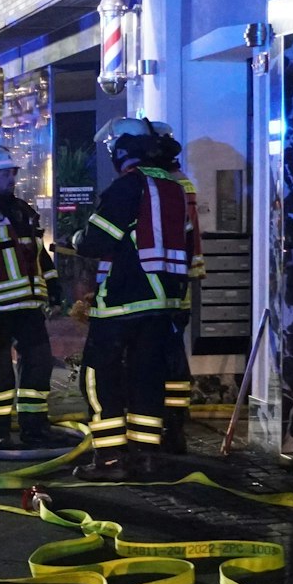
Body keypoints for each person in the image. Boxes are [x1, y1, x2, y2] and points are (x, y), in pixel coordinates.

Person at [70, 116, 198, 481]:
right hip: (163, 306)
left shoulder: (127, 187)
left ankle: (109, 461)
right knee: (147, 380)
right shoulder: (174, 188)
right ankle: (146, 457)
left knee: (99, 378)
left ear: (121, 150)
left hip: (123, 303)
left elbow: (95, 241)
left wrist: (78, 239)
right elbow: (187, 247)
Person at [0, 147, 74, 450]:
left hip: (28, 306)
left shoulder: (22, 211)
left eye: (13, 173)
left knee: (39, 364)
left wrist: (53, 290)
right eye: (5, 173)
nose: (11, 179)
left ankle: (35, 427)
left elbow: (38, 255)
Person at [145, 122, 204, 454]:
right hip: (178, 280)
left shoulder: (168, 186)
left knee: (163, 355)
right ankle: (175, 423)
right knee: (174, 354)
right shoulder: (181, 183)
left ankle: (168, 425)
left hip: (166, 282)